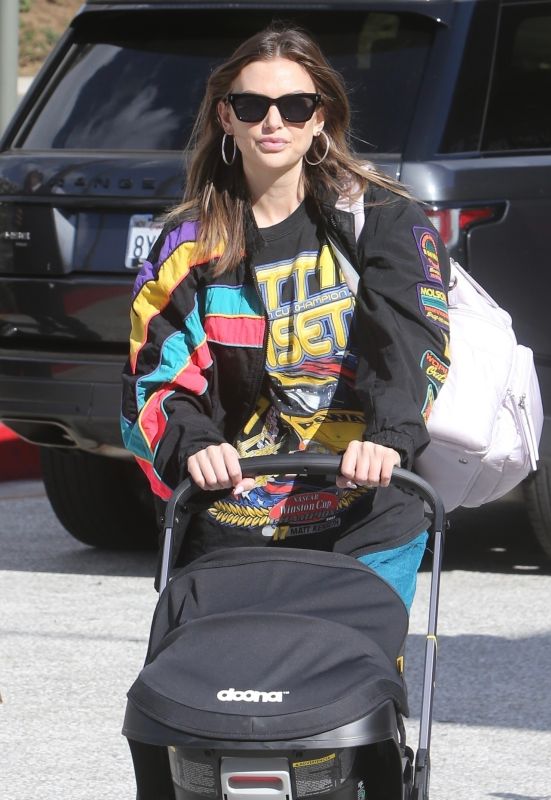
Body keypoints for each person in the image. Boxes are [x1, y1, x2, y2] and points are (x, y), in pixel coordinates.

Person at [120, 23, 451, 795]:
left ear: (322, 118)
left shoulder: (384, 221)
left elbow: (414, 344)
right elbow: (153, 375)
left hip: (363, 513)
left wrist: (389, 439)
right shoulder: (186, 243)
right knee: (211, 723)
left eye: (296, 104)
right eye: (253, 103)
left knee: (343, 717)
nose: (275, 120)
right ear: (225, 116)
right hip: (234, 520)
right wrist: (192, 441)